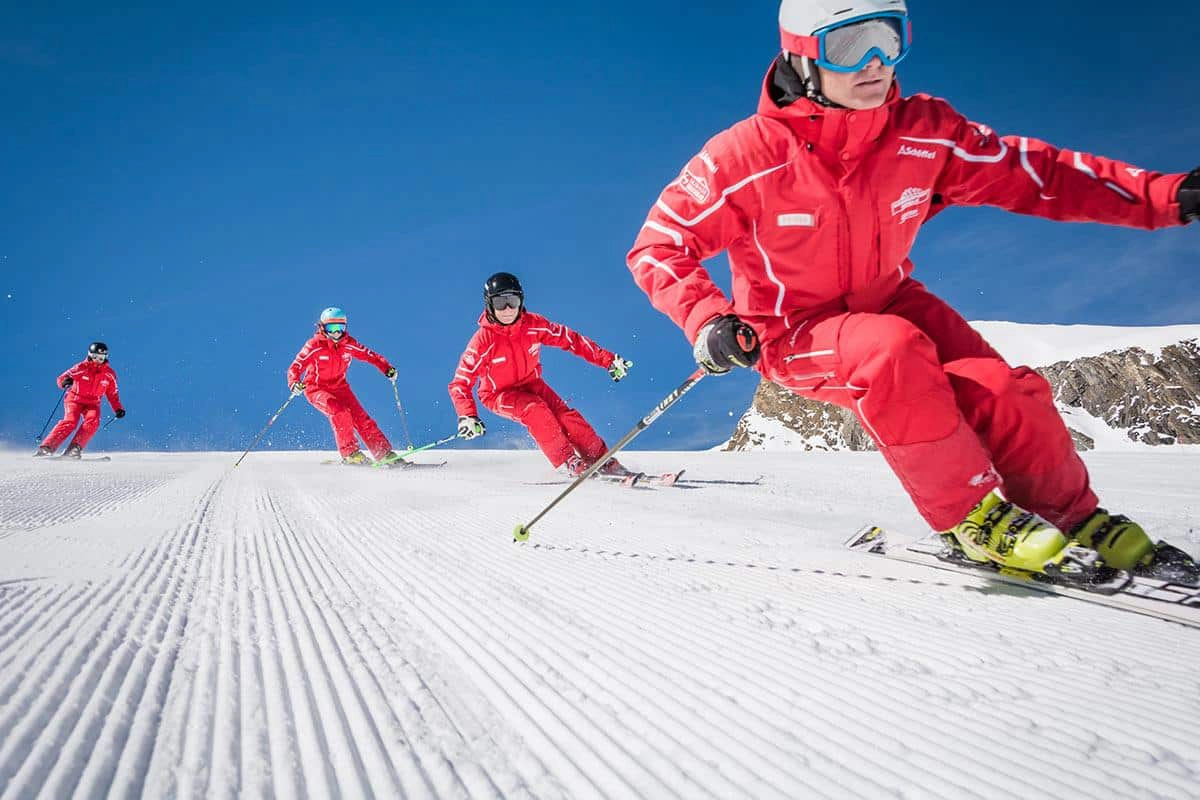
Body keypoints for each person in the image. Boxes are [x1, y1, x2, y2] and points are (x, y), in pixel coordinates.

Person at [625, 0, 1200, 583]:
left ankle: (1074, 517)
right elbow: (659, 244)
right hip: (787, 329)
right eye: (848, 46)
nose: (874, 63)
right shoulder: (745, 156)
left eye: (888, 38)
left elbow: (1036, 174)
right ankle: (970, 517)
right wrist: (707, 318)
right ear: (803, 58)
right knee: (891, 350)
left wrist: (1163, 196)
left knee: (1001, 389)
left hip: (890, 296)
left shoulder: (923, 133)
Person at [449, 272, 634, 476]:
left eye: (513, 300)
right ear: (489, 305)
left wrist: (607, 359)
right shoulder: (483, 340)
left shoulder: (533, 325)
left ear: (521, 301)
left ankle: (600, 458)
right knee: (535, 410)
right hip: (498, 394)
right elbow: (461, 382)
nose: (508, 309)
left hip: (532, 383)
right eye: (500, 303)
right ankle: (568, 461)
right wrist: (467, 415)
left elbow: (570, 339)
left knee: (566, 416)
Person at [287, 307, 403, 466]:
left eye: (340, 328)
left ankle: (384, 454)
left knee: (361, 418)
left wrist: (386, 368)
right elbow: (296, 366)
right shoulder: (315, 345)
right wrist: (294, 382)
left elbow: (371, 356)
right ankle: (351, 454)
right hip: (316, 388)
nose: (336, 333)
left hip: (340, 387)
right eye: (331, 328)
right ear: (322, 328)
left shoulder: (349, 344)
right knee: (339, 412)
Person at [36, 341, 126, 458]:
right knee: (71, 421)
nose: (98, 360)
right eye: (95, 357)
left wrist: (118, 409)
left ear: (106, 357)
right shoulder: (81, 368)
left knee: (93, 421)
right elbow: (61, 378)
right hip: (74, 400)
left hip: (93, 403)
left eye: (101, 357)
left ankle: (74, 449)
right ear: (89, 355)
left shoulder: (109, 374)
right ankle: (47, 447)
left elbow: (113, 394)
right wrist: (65, 382)